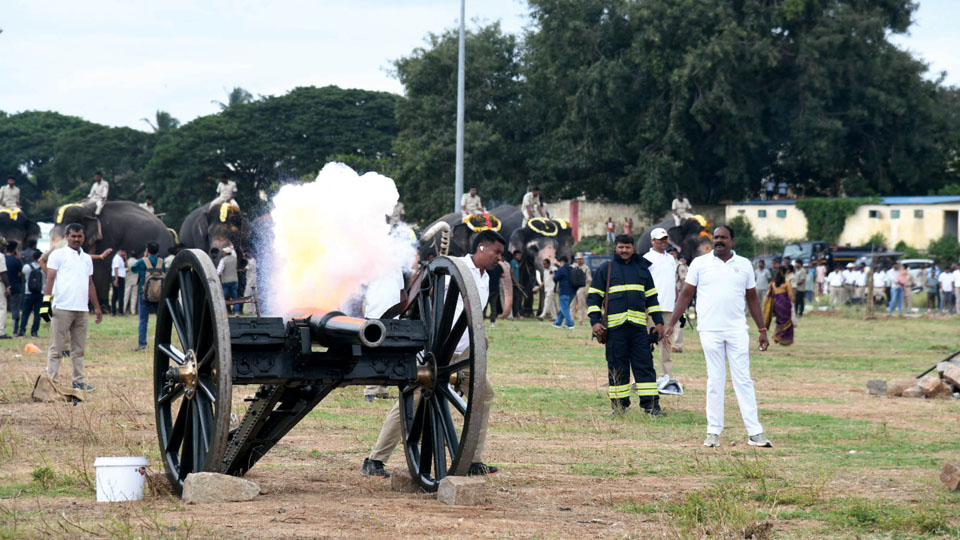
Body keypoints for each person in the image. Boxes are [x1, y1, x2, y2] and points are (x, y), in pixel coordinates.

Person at [361, 229, 505, 479]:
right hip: (440, 350)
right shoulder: (456, 269)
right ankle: (374, 460)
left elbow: (473, 312)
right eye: (497, 252)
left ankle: (473, 460)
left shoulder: (485, 277)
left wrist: (480, 336)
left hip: (464, 353)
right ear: (481, 247)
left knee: (484, 394)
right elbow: (428, 293)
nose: (499, 258)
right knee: (413, 400)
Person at [666, 225, 773, 448]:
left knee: (743, 380)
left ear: (732, 241)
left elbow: (752, 299)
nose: (719, 241)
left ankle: (755, 433)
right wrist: (671, 323)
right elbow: (686, 295)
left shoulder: (743, 264)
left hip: (737, 331)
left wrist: (762, 330)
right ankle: (713, 432)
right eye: (716, 238)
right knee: (715, 381)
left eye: (723, 238)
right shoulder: (699, 263)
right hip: (710, 330)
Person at [587, 234, 664, 415]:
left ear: (633, 249)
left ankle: (651, 406)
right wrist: (595, 322)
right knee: (616, 367)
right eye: (621, 247)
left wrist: (659, 322)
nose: (624, 250)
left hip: (638, 329)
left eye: (628, 247)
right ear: (615, 248)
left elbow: (652, 299)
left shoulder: (642, 269)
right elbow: (593, 298)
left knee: (644, 367)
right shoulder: (606, 269)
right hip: (615, 330)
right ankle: (619, 407)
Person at [40, 223, 102, 391]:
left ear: (83, 237)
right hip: (62, 308)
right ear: (66, 236)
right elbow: (50, 278)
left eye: (79, 236)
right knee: (56, 349)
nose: (76, 239)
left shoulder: (87, 258)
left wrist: (96, 307)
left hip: (82, 310)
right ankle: (51, 383)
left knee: (78, 350)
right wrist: (46, 302)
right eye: (73, 236)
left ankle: (79, 382)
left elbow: (90, 283)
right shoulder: (58, 255)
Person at [643, 228, 678, 378]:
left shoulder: (671, 259)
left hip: (669, 307)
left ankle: (666, 375)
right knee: (648, 343)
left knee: (667, 343)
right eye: (660, 239)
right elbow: (642, 283)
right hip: (652, 307)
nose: (663, 242)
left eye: (665, 239)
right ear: (652, 241)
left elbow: (673, 283)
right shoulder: (646, 258)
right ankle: (645, 376)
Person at [131, 242, 165, 352]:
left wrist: (144, 259)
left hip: (144, 294)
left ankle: (142, 344)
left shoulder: (143, 261)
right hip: (159, 294)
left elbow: (133, 269)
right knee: (160, 320)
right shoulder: (161, 262)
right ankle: (162, 343)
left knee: (143, 320)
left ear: (147, 250)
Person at [764, 266, 794, 346]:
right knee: (787, 320)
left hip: (776, 303)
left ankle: (778, 336)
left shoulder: (773, 283)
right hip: (785, 303)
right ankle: (781, 337)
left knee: (780, 320)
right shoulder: (787, 283)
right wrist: (791, 303)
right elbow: (790, 295)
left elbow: (769, 294)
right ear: (784, 273)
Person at [19, 251, 44, 337]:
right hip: (40, 293)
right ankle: (34, 332)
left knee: (25, 313)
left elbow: (22, 274)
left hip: (28, 293)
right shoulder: (43, 268)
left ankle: (22, 331)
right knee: (37, 314)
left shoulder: (27, 267)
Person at [552, 256, 576, 329]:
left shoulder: (561, 269)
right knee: (564, 307)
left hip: (564, 291)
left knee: (564, 308)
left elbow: (555, 279)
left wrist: (554, 273)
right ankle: (558, 323)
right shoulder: (572, 268)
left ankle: (570, 324)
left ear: (562, 261)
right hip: (572, 292)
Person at [5, 242, 23, 336]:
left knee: (2, 309)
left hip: (3, 287)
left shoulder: (2, 259)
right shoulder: (17, 261)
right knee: (15, 309)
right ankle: (15, 330)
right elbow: (21, 274)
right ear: (14, 250)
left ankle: (2, 329)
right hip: (16, 287)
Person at [568, 253, 593, 325]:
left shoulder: (586, 268)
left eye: (580, 259)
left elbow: (589, 279)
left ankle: (581, 320)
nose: (579, 260)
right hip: (573, 287)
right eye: (578, 259)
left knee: (581, 304)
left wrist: (590, 289)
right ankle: (571, 319)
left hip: (582, 288)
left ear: (583, 260)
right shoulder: (572, 267)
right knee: (572, 304)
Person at [671, 249, 687, 353]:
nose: (671, 255)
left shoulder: (679, 266)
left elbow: (684, 281)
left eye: (672, 253)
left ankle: (677, 345)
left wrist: (684, 297)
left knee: (679, 321)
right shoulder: (666, 264)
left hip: (678, 296)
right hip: (666, 296)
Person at [216, 246, 239, 314]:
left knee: (225, 297)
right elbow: (234, 253)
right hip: (234, 280)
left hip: (225, 281)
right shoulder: (235, 258)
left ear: (225, 253)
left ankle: (225, 311)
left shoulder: (223, 260)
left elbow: (218, 272)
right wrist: (232, 248)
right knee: (235, 297)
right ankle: (236, 312)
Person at [486, 253, 503, 327]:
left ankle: (481, 320)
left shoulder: (488, 266)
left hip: (488, 288)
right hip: (496, 289)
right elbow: (503, 275)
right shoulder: (499, 266)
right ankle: (492, 322)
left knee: (484, 306)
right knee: (493, 306)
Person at [110, 248, 127, 316]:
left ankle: (115, 311)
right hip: (118, 277)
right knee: (119, 295)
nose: (122, 253)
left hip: (121, 277)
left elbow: (126, 266)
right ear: (118, 251)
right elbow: (115, 269)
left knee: (117, 295)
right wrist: (116, 279)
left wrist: (125, 258)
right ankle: (119, 311)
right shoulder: (116, 258)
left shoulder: (121, 258)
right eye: (121, 251)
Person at [123, 251, 140, 315]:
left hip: (128, 280)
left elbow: (125, 269)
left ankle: (123, 309)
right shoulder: (137, 262)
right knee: (134, 296)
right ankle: (133, 311)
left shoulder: (128, 261)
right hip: (135, 280)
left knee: (126, 295)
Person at [509, 250, 523, 319]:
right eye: (517, 255)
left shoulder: (516, 263)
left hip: (516, 283)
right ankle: (517, 314)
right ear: (514, 255)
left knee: (517, 299)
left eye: (520, 255)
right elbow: (511, 272)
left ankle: (516, 313)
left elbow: (517, 268)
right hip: (514, 285)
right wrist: (516, 282)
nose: (519, 257)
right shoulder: (513, 262)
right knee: (515, 299)